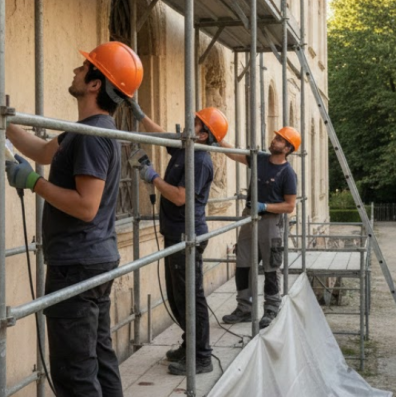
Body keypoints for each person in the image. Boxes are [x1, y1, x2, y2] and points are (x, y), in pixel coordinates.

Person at [5, 41, 143, 397]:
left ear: (96, 84)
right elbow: (39, 149)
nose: (75, 71)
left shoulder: (91, 136)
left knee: (75, 374)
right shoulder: (85, 131)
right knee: (98, 358)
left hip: (76, 264)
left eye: (84, 68)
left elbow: (86, 206)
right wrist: (2, 122)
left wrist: (34, 183)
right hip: (92, 260)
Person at [128, 103, 229, 375]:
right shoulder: (187, 148)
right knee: (177, 296)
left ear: (204, 135)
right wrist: (139, 113)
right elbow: (162, 135)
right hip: (175, 232)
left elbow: (180, 197)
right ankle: (190, 345)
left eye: (195, 122)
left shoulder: (199, 159)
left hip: (188, 235)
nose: (188, 122)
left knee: (189, 297)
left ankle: (202, 357)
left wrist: (153, 177)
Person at [219, 127, 300, 329]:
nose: (275, 141)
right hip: (249, 218)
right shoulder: (260, 159)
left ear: (288, 148)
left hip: (271, 222)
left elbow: (290, 206)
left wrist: (265, 206)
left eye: (280, 140)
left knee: (271, 267)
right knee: (243, 263)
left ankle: (271, 308)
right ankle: (244, 308)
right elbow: (234, 153)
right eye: (276, 137)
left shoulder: (288, 173)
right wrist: (217, 139)